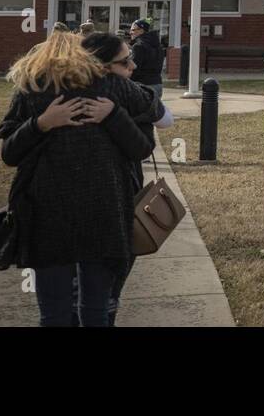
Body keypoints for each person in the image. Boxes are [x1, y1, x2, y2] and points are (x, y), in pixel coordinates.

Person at [0, 30, 159, 326]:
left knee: (55, 313)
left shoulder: (33, 89)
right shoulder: (113, 87)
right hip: (101, 212)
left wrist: (41, 124)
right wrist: (46, 123)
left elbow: (9, 153)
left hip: (48, 213)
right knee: (95, 310)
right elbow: (146, 137)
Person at [81, 31, 174, 325]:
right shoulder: (127, 92)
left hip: (78, 206)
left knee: (72, 295)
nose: (132, 66)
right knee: (105, 287)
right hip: (114, 201)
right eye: (125, 62)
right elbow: (165, 120)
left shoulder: (55, 90)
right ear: (103, 67)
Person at [128, 17, 164, 100]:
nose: (130, 32)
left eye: (133, 30)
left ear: (141, 30)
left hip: (143, 86)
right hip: (158, 84)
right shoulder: (159, 46)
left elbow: (135, 69)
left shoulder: (138, 46)